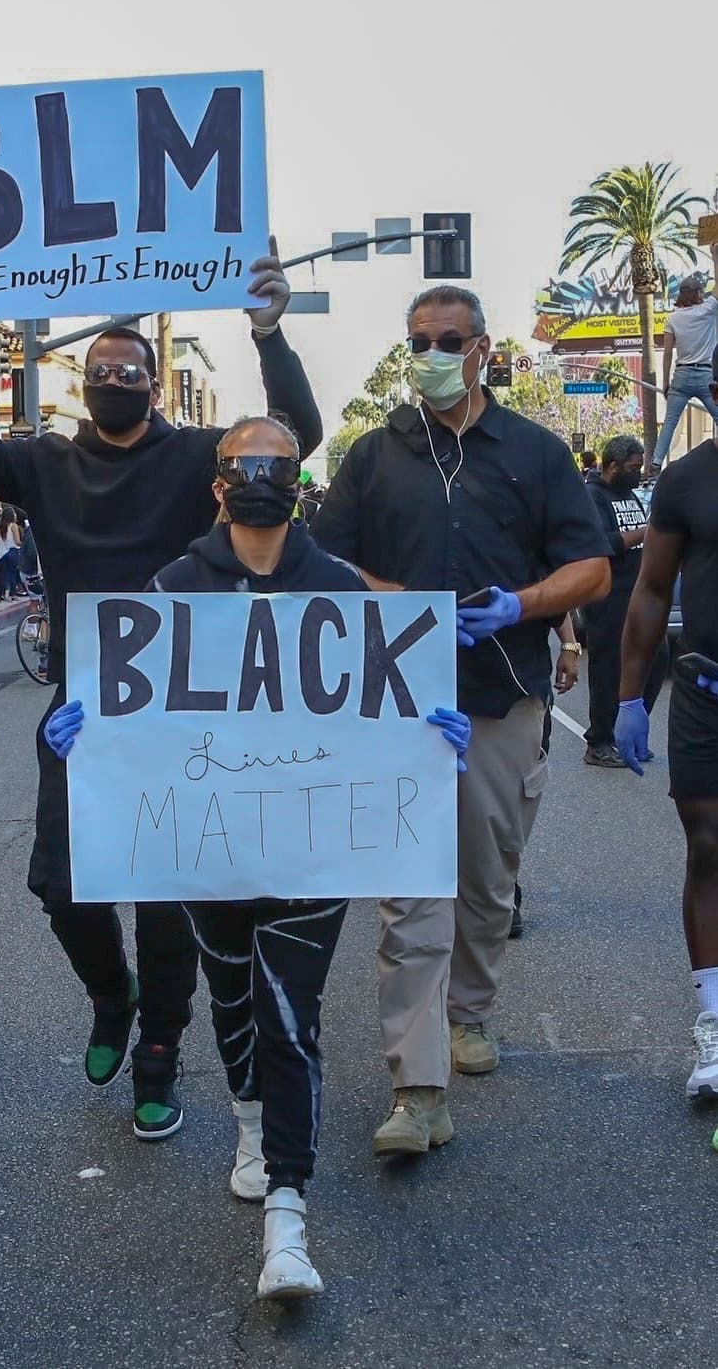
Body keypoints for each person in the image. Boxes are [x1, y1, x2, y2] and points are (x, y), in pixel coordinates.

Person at [0, 240, 324, 1140]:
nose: (116, 378)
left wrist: (269, 333)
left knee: (167, 889)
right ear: (83, 380)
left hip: (178, 709)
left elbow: (295, 434)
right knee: (63, 884)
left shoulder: (198, 455)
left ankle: (160, 1054)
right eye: (102, 369)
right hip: (84, 714)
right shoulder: (43, 462)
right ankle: (111, 994)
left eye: (131, 370)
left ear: (155, 387)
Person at [42, 416, 472, 1299]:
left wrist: (434, 733)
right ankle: (246, 1114)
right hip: (209, 842)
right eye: (246, 463)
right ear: (218, 483)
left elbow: (395, 697)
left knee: (290, 1013)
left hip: (313, 846)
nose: (262, 476)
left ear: (298, 481)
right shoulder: (169, 586)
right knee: (232, 998)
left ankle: (288, 1210)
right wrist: (76, 730)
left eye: (278, 463)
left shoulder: (346, 589)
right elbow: (118, 704)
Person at [311, 283, 610, 1154]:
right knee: (410, 895)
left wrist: (519, 605)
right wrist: (401, 601)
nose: (432, 354)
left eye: (449, 339)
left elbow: (590, 566)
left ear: (483, 350)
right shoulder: (373, 456)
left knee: (485, 881)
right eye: (419, 339)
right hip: (397, 706)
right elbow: (323, 561)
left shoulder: (534, 452)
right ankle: (418, 1087)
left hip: (501, 698)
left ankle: (470, 1009)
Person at [616, 425, 718, 1098]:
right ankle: (714, 1022)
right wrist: (629, 696)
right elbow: (652, 587)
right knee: (709, 848)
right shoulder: (687, 478)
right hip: (707, 691)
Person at [583, 435, 668, 767]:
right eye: (634, 467)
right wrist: (649, 531)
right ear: (613, 467)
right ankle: (599, 742)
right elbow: (600, 543)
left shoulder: (630, 495)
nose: (640, 472)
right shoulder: (592, 497)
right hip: (608, 597)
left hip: (637, 595)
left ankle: (630, 733)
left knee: (658, 659)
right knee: (608, 669)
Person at [510, 614, 580, 938]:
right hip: (446, 675)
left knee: (520, 789)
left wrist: (569, 645)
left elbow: (555, 587)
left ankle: (503, 886)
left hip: (521, 685)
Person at [651, 247, 718, 472]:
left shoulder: (672, 318)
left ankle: (655, 463)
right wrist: (716, 256)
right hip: (707, 375)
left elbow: (668, 353)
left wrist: (665, 382)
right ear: (699, 293)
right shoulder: (708, 310)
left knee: (670, 423)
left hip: (681, 375)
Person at [0, 505, 23, 600]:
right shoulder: (13, 526)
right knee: (13, 573)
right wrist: (24, 544)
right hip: (13, 551)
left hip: (2, 553)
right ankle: (13, 594)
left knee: (3, 574)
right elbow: (17, 541)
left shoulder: (0, 526)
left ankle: (2, 594)